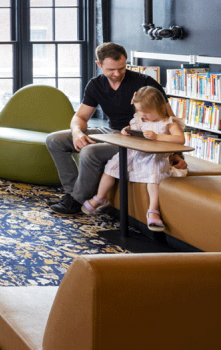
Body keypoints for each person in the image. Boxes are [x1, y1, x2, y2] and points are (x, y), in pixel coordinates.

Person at [45, 42, 187, 215]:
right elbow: (80, 117)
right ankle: (72, 194)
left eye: (122, 67)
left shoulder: (145, 83)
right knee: (54, 140)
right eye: (111, 69)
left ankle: (76, 200)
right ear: (99, 65)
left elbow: (169, 120)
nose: (118, 73)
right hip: (111, 132)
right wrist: (76, 132)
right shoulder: (95, 85)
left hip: (136, 139)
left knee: (89, 153)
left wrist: (176, 153)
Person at [81, 86, 187, 231]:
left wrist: (158, 137)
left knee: (154, 176)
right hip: (135, 154)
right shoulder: (140, 119)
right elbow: (133, 128)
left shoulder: (168, 123)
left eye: (147, 112)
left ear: (161, 108)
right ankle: (100, 197)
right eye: (140, 111)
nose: (143, 115)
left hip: (154, 158)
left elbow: (180, 139)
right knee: (111, 168)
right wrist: (127, 131)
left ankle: (153, 210)